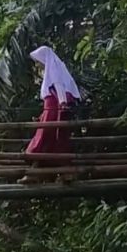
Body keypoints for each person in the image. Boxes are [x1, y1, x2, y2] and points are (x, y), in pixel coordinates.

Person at [18, 46, 81, 184]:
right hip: (52, 109)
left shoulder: (53, 70)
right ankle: (62, 172)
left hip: (54, 109)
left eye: (37, 61)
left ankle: (34, 173)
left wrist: (62, 104)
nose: (37, 64)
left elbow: (58, 86)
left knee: (43, 137)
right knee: (56, 139)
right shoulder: (54, 69)